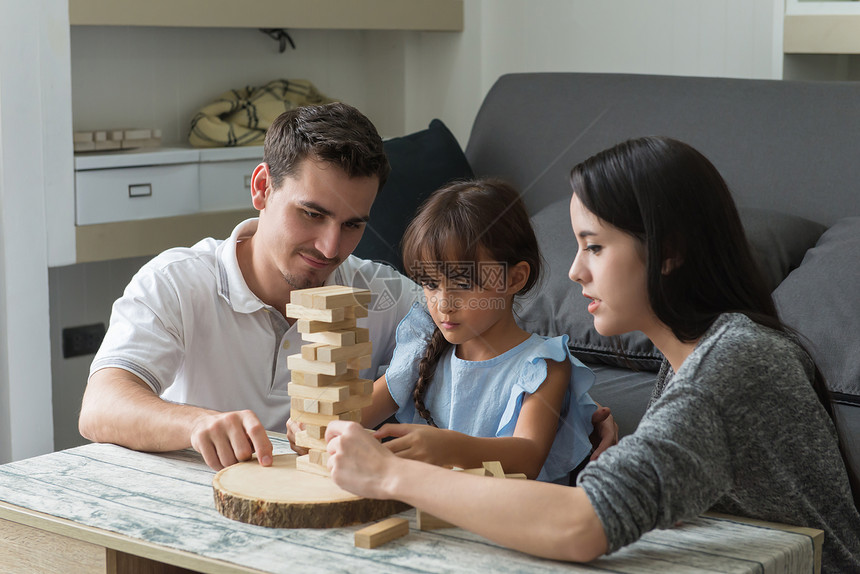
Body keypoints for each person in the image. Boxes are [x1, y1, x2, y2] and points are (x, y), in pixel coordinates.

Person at [321, 137, 860, 571]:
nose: (576, 271)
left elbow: (581, 526)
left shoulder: (732, 362)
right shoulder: (692, 364)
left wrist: (388, 475)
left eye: (595, 246)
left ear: (667, 252)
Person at [78, 102, 422, 471]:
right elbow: (100, 406)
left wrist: (384, 393)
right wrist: (196, 423)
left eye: (353, 225)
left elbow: (465, 325)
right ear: (261, 188)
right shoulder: (175, 281)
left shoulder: (386, 296)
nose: (330, 247)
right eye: (312, 214)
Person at [289, 179, 598, 482]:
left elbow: (528, 456)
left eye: (463, 284)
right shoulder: (424, 347)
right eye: (431, 284)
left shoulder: (544, 364)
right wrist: (314, 426)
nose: (443, 304)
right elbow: (358, 413)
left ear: (515, 279)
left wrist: (449, 447)